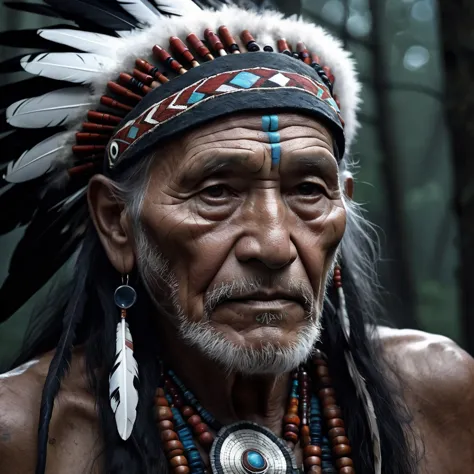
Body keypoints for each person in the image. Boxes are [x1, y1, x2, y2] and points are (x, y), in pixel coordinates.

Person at [0, 2, 472, 474]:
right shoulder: (23, 435)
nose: (273, 247)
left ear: (341, 204)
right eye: (216, 193)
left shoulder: (440, 394)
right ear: (117, 221)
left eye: (308, 191)